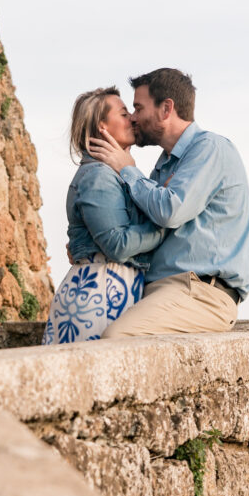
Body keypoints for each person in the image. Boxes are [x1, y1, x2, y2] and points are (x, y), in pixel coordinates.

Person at [87, 67, 249, 338]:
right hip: (163, 291)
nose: (134, 118)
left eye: (139, 108)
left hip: (201, 293)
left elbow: (169, 211)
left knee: (116, 339)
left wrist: (127, 168)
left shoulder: (210, 148)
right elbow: (138, 227)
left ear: (166, 109)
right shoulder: (165, 164)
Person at [42, 87, 166, 344]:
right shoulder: (99, 175)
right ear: (102, 127)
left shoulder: (116, 174)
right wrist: (165, 224)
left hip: (111, 293)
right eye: (123, 114)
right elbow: (118, 246)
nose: (132, 118)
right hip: (97, 298)